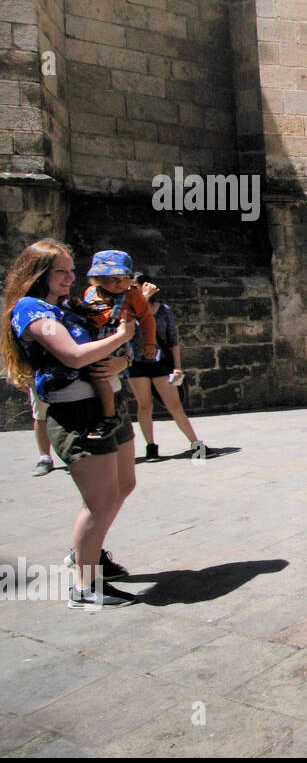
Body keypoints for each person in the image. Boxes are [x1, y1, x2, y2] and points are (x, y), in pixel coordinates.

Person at [3, 239, 139, 607]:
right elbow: (75, 357)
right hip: (77, 412)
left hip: (109, 401)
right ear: (38, 274)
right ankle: (85, 586)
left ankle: (83, 552)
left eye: (71, 270)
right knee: (100, 500)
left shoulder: (66, 306)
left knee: (124, 484)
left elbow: (112, 346)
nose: (70, 278)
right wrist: (122, 337)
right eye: (60, 271)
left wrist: (122, 360)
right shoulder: (30, 310)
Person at [126, 273, 207, 460]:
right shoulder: (129, 310)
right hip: (137, 363)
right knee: (144, 405)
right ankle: (151, 447)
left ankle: (196, 445)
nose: (133, 290)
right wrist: (142, 300)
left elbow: (173, 339)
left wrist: (177, 366)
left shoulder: (163, 310)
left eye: (136, 286)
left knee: (175, 405)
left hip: (160, 362)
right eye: (131, 287)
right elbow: (129, 328)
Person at [78, 250, 157, 440]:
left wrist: (149, 343)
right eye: (113, 279)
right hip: (94, 340)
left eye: (123, 278)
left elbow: (146, 319)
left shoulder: (132, 296)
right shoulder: (91, 293)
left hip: (116, 341)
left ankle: (108, 416)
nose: (119, 284)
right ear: (97, 279)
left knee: (100, 375)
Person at [30, 386, 54, 476]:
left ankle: (78, 457)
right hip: (41, 376)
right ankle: (45, 458)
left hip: (74, 374)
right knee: (41, 415)